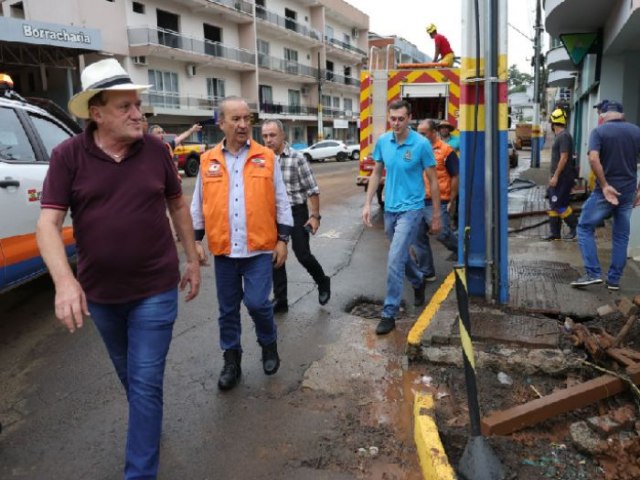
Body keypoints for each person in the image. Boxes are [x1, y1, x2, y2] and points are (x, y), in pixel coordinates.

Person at [36, 58, 201, 479]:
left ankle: (139, 471)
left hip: (155, 288)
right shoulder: (68, 156)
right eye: (125, 106)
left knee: (145, 381)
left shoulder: (157, 152)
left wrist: (192, 257)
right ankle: (147, 424)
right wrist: (65, 283)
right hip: (102, 295)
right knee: (131, 375)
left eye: (138, 105)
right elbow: (48, 224)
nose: (137, 115)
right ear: (97, 113)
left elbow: (177, 204)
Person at [191, 96, 293, 391]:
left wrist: (283, 239)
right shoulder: (208, 160)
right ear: (220, 123)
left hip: (259, 248)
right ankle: (231, 360)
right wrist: (195, 241)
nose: (244, 125)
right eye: (236, 119)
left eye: (247, 119)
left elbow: (281, 201)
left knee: (259, 302)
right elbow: (198, 204)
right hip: (224, 249)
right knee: (227, 309)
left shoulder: (266, 157)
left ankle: (269, 342)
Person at [362, 100, 441, 335]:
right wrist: (367, 204)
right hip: (390, 209)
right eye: (392, 119)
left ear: (409, 118)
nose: (396, 123)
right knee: (400, 255)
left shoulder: (421, 144)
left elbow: (434, 181)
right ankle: (417, 281)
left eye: (401, 119)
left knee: (395, 258)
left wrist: (436, 215)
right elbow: (376, 173)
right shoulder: (384, 142)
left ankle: (389, 313)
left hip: (412, 209)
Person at [261, 119, 331, 313]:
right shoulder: (262, 159)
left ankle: (323, 281)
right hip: (273, 214)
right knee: (275, 256)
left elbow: (312, 189)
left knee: (303, 254)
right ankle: (280, 299)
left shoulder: (297, 158)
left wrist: (315, 216)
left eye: (272, 135)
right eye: (265, 136)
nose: (268, 140)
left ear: (283, 135)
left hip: (296, 211)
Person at [571, 100, 640, 290]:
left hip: (605, 192)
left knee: (584, 227)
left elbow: (593, 158)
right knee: (621, 235)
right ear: (621, 113)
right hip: (627, 191)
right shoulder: (636, 131)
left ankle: (592, 273)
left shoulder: (599, 132)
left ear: (603, 114)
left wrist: (605, 185)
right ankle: (614, 280)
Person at [412, 119, 459, 290]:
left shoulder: (446, 151)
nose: (419, 136)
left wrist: (451, 200)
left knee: (442, 233)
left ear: (433, 133)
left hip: (437, 200)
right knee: (417, 237)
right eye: (418, 132)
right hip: (417, 200)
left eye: (423, 133)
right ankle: (427, 272)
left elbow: (455, 176)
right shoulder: (415, 149)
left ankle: (462, 251)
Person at [543, 108, 578, 241]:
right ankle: (555, 232)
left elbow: (564, 158)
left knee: (559, 205)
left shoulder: (563, 137)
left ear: (553, 123)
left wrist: (556, 176)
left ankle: (575, 226)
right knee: (553, 204)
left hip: (562, 178)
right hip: (558, 177)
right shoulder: (562, 136)